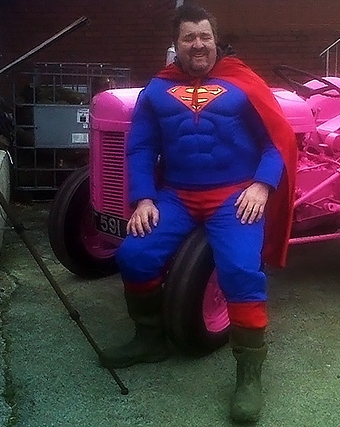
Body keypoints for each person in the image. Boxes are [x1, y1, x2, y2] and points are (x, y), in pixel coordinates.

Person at [99, 4, 296, 424]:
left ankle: (248, 376)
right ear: (176, 45)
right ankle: (148, 338)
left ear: (215, 40)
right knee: (134, 255)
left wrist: (262, 184)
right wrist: (144, 199)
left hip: (234, 196)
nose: (198, 44)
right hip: (177, 196)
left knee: (241, 270)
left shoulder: (242, 84)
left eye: (204, 36)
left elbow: (275, 140)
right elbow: (138, 148)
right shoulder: (156, 90)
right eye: (189, 37)